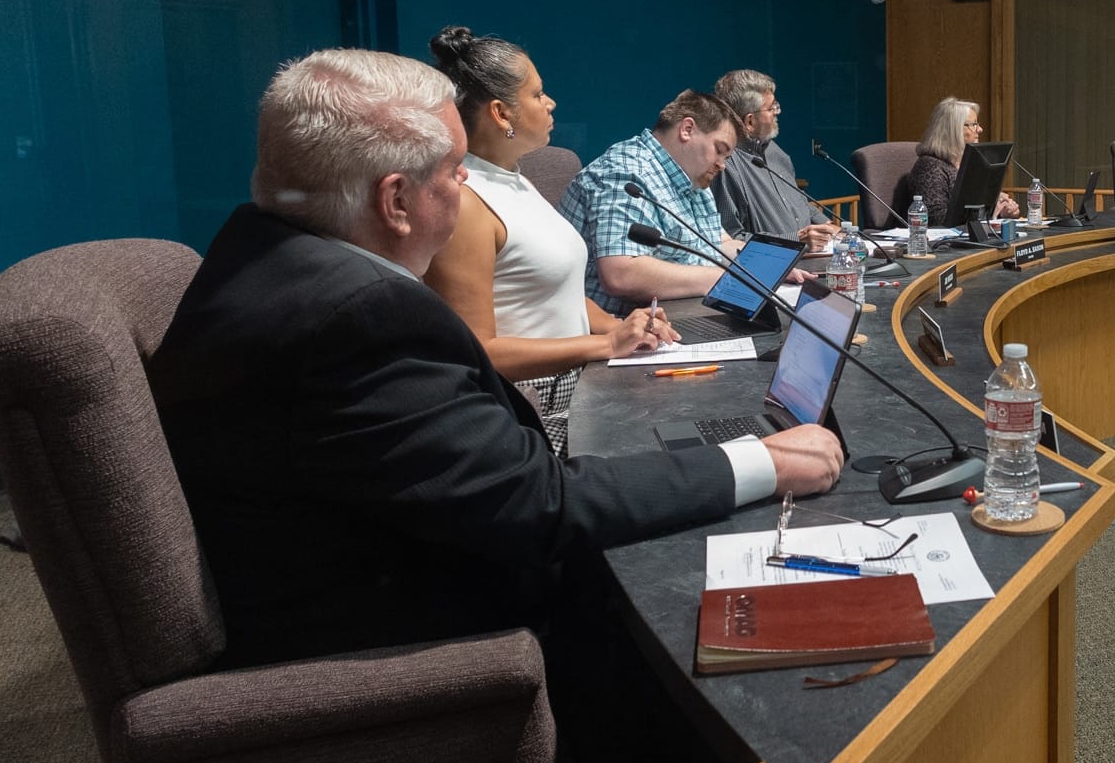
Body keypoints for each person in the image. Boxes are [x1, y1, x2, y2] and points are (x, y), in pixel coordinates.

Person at [147, 48, 842, 673]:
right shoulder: (358, 319)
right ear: (396, 200)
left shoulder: (257, 256)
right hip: (405, 644)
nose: (465, 189)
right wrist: (763, 462)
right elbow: (536, 506)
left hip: (362, 554)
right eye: (454, 173)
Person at [424, 25, 679, 455]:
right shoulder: (467, 201)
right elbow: (478, 351)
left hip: (581, 382)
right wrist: (608, 344)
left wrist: (627, 328)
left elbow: (553, 291)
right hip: (532, 410)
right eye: (538, 94)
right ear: (502, 114)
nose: (551, 103)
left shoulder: (515, 180)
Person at [559, 90, 746, 316]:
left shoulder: (694, 177)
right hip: (615, 327)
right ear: (687, 130)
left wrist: (762, 272)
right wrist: (724, 279)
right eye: (719, 150)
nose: (722, 165)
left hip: (678, 314)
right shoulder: (625, 172)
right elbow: (621, 274)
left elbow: (717, 242)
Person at [709, 69, 839, 252]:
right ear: (750, 121)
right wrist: (797, 240)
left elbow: (800, 204)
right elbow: (732, 239)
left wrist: (828, 226)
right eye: (771, 108)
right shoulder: (724, 166)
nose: (778, 111)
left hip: (813, 257)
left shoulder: (775, 152)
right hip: (772, 270)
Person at [904, 96, 1020, 225]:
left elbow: (972, 208)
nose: (980, 129)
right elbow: (935, 220)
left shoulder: (970, 164)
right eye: (974, 124)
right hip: (940, 243)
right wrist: (990, 214)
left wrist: (1001, 209)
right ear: (954, 129)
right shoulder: (930, 167)